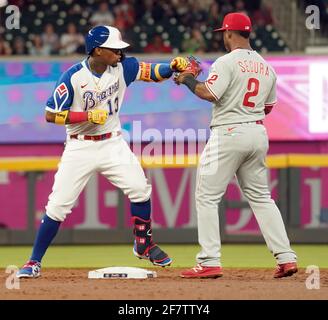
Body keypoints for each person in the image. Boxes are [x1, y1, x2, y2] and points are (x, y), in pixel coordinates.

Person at [17, 25, 189, 278]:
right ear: (97, 51)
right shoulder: (73, 76)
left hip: (112, 143)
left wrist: (172, 67)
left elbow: (154, 72)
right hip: (80, 145)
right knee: (57, 206)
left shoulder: (123, 67)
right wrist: (85, 115)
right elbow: (50, 114)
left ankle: (143, 244)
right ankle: (33, 261)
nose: (120, 53)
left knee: (140, 189)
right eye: (114, 49)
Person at [174, 13, 298, 279]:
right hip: (257, 132)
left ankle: (209, 261)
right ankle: (286, 258)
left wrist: (187, 79)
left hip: (228, 133)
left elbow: (210, 93)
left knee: (206, 196)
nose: (223, 36)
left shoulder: (226, 61)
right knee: (262, 198)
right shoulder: (267, 66)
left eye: (224, 33)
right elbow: (267, 106)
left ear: (229, 33)